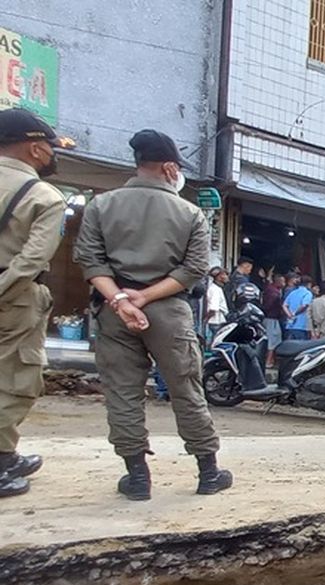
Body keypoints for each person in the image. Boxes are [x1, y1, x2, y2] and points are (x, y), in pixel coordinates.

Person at [74, 128, 232, 500]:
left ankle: (138, 478)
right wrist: (144, 298)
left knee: (123, 392)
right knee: (186, 388)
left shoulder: (100, 205)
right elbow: (193, 270)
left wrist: (121, 300)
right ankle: (208, 473)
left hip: (114, 311)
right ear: (168, 167)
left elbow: (89, 260)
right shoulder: (190, 213)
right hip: (169, 311)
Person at [0, 109, 74, 498]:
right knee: (16, 377)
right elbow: (32, 257)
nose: (51, 153)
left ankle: (7, 453)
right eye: (49, 146)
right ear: (34, 148)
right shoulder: (44, 196)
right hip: (14, 297)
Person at [261, 273, 286, 365]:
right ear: (278, 282)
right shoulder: (274, 293)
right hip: (271, 318)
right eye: (283, 282)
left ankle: (271, 360)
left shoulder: (272, 290)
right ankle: (268, 361)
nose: (284, 284)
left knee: (274, 339)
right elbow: (268, 305)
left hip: (272, 318)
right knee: (272, 340)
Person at [283, 274, 313, 341]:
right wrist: (294, 313)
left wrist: (289, 315)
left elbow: (284, 305)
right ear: (309, 284)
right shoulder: (308, 293)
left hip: (290, 325)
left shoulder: (292, 293)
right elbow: (304, 305)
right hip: (302, 325)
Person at [204, 267, 229, 342]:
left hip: (216, 321)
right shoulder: (215, 290)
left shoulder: (216, 288)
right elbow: (213, 308)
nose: (226, 277)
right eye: (224, 274)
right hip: (216, 321)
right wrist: (206, 319)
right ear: (218, 277)